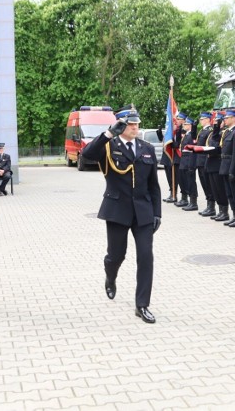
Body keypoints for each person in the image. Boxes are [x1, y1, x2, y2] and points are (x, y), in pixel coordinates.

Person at [81, 105, 161, 324]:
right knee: (117, 255)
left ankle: (142, 305)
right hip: (117, 210)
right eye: (131, 124)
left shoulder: (146, 148)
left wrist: (157, 213)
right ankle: (110, 276)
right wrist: (108, 133)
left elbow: (154, 185)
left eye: (137, 124)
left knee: (146, 256)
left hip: (143, 212)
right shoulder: (108, 146)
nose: (135, 127)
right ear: (121, 124)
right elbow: (87, 155)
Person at [195, 113, 215, 217]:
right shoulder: (202, 131)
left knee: (208, 184)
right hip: (199, 160)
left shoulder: (210, 131)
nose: (200, 121)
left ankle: (211, 206)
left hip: (204, 160)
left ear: (208, 119)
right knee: (204, 184)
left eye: (202, 119)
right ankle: (209, 205)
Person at [179, 117, 199, 211]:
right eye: (184, 124)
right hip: (184, 161)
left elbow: (193, 150)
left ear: (191, 125)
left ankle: (193, 202)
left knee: (191, 182)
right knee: (185, 181)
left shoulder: (192, 135)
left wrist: (192, 164)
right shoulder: (186, 135)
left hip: (189, 161)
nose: (184, 126)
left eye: (186, 124)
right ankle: (188, 200)